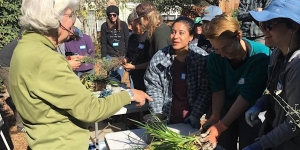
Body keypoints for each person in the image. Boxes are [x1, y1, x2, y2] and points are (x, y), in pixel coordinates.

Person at [9, 0, 151, 149]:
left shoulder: (23, 49)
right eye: (70, 15)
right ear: (52, 18)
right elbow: (90, 110)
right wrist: (129, 94)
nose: (73, 21)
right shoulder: (46, 60)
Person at [201, 14, 270, 150]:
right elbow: (218, 89)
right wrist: (216, 116)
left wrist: (221, 126)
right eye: (216, 49)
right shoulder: (214, 58)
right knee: (220, 143)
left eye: (225, 48)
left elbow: (247, 95)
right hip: (226, 103)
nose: (222, 54)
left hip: (251, 108)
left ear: (238, 36)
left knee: (249, 143)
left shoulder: (261, 56)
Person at [243, 0, 300, 149]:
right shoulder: (276, 54)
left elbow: (296, 122)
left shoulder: (298, 66)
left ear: (293, 27)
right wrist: (259, 104)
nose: (263, 30)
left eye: (270, 24)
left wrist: (260, 145)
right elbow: (272, 90)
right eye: (262, 24)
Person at [144, 16, 211, 129]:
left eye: (181, 33)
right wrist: (159, 117)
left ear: (191, 37)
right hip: (166, 117)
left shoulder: (201, 58)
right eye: (173, 32)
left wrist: (195, 115)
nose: (175, 37)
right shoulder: (160, 58)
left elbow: (205, 89)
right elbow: (153, 88)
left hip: (191, 120)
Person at [0, 30, 25, 134]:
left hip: (9, 66)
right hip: (5, 68)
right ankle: (21, 126)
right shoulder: (21, 45)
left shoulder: (20, 43)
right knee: (18, 95)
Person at [123, 15, 150, 92]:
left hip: (146, 77)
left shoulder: (148, 38)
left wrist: (134, 67)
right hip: (135, 76)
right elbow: (129, 55)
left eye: (132, 24)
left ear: (139, 22)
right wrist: (125, 59)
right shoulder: (132, 37)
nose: (130, 28)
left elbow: (150, 62)